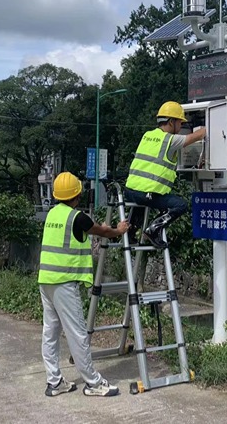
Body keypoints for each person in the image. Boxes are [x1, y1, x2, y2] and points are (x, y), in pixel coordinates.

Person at [38, 171, 129, 397]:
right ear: (77, 195)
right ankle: (93, 383)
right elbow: (102, 231)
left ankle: (55, 381)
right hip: (64, 283)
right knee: (77, 333)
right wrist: (119, 229)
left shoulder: (52, 214)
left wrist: (104, 227)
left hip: (46, 280)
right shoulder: (77, 217)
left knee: (50, 333)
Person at [125, 101, 206, 248]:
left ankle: (131, 232)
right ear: (171, 121)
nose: (181, 127)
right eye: (180, 122)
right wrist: (207, 127)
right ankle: (153, 230)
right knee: (180, 205)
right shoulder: (170, 139)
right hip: (147, 194)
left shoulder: (147, 135)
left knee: (143, 202)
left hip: (130, 191)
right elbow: (195, 137)